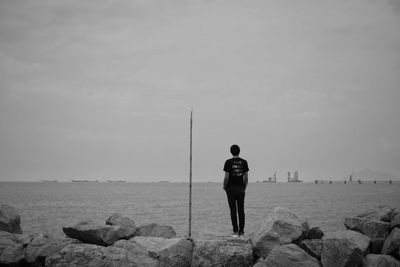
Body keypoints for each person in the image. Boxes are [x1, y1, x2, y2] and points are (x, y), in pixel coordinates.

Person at [223, 144, 249, 237]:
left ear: (231, 151)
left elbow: (226, 177)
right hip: (241, 188)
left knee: (233, 210)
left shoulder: (228, 162)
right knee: (241, 210)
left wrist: (224, 186)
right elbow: (246, 178)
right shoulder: (244, 162)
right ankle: (241, 232)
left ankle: (235, 231)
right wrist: (244, 187)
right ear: (239, 151)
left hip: (230, 188)